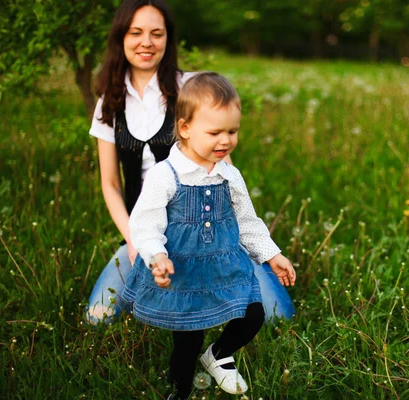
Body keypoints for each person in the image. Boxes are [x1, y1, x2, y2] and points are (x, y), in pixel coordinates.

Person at [86, 0, 295, 325]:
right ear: (120, 37)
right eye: (136, 32)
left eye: (157, 33)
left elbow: (223, 171)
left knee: (277, 316)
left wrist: (254, 247)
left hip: (210, 227)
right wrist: (134, 240)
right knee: (98, 318)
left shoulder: (192, 89)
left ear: (168, 39)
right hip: (147, 231)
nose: (146, 42)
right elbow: (110, 184)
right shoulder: (109, 103)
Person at [123, 72, 296, 398]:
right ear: (186, 128)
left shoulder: (230, 176)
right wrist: (157, 255)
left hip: (224, 264)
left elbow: (247, 221)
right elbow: (146, 222)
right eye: (215, 132)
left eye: (232, 131)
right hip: (184, 271)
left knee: (253, 314)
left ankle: (218, 355)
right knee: (188, 340)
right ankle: (180, 390)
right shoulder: (166, 174)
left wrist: (272, 254)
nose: (225, 141)